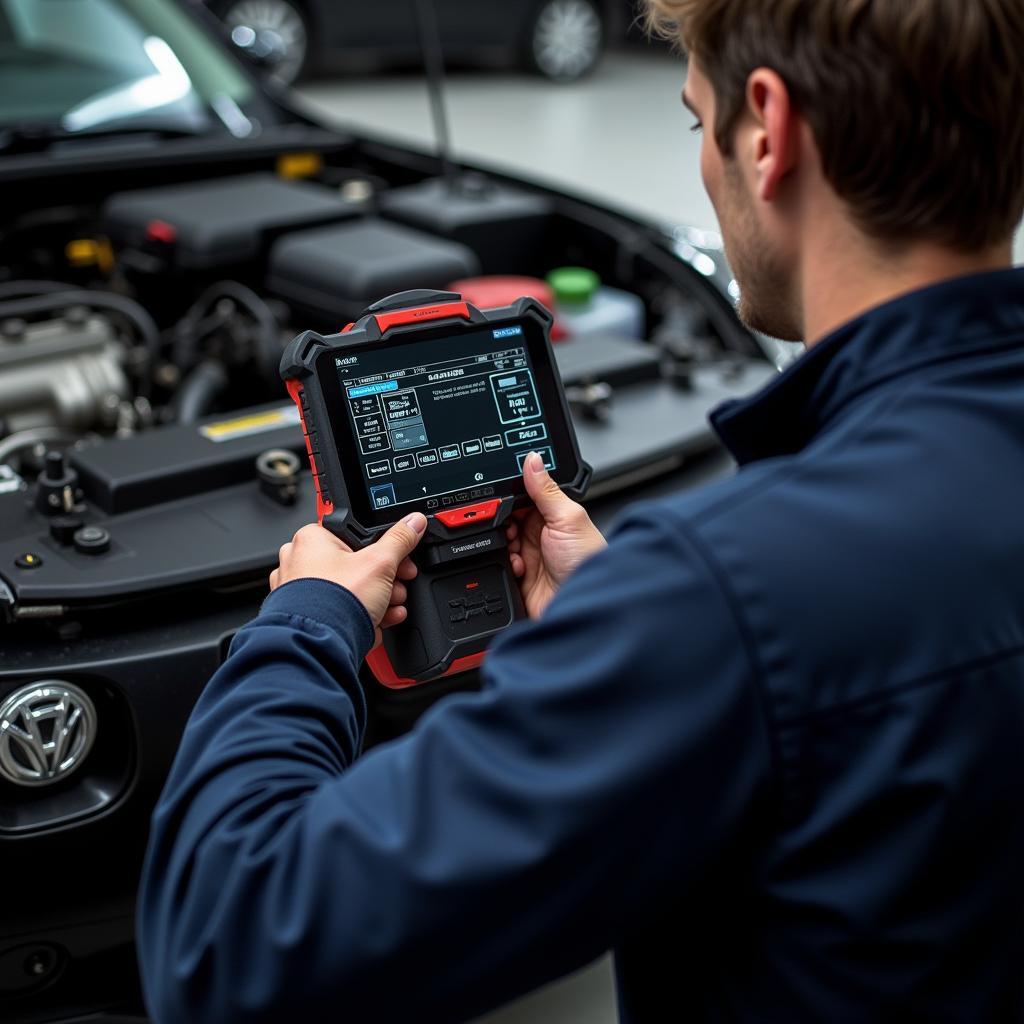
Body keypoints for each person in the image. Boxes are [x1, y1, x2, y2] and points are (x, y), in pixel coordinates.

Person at [137, 1, 1024, 1021]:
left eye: (699, 122)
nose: (704, 160)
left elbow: (224, 949)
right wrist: (624, 624)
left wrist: (303, 625)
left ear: (766, 132)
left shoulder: (725, 597)